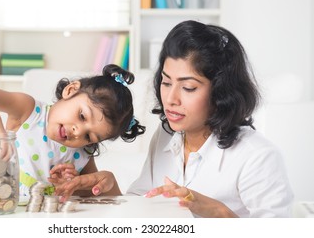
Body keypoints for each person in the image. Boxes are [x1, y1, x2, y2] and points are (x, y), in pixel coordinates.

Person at [126, 20, 294, 217]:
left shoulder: (258, 157)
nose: (170, 99)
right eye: (166, 82)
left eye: (188, 87)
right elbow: (141, 202)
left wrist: (220, 213)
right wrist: (107, 190)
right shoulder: (166, 134)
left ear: (221, 92)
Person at [0, 64, 145, 202]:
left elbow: (96, 194)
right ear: (70, 90)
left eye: (89, 136)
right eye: (82, 116)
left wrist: (72, 184)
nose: (78, 132)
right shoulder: (30, 112)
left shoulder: (82, 153)